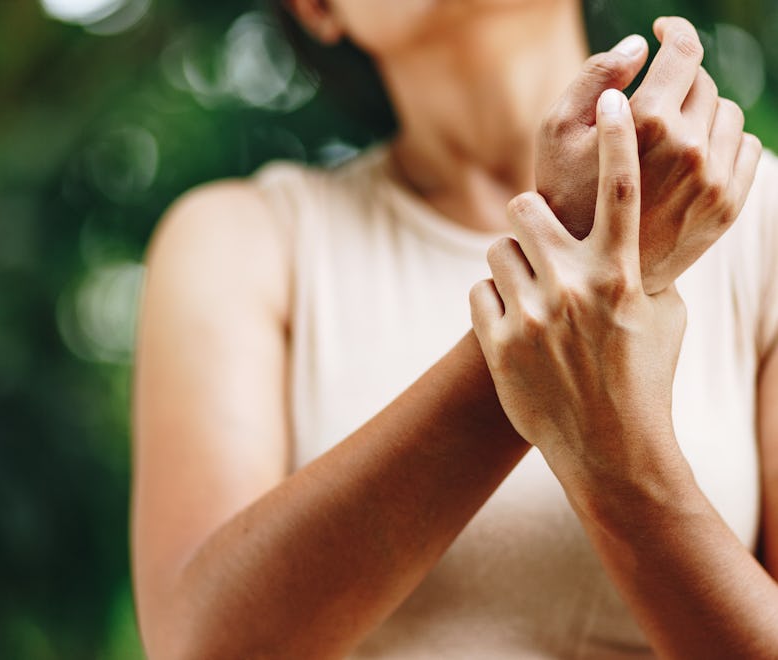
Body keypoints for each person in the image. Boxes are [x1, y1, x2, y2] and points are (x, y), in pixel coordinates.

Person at [130, 0, 777, 657]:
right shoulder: (243, 241)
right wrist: (564, 296)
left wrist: (617, 456)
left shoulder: (765, 227)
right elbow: (198, 643)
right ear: (318, 8)